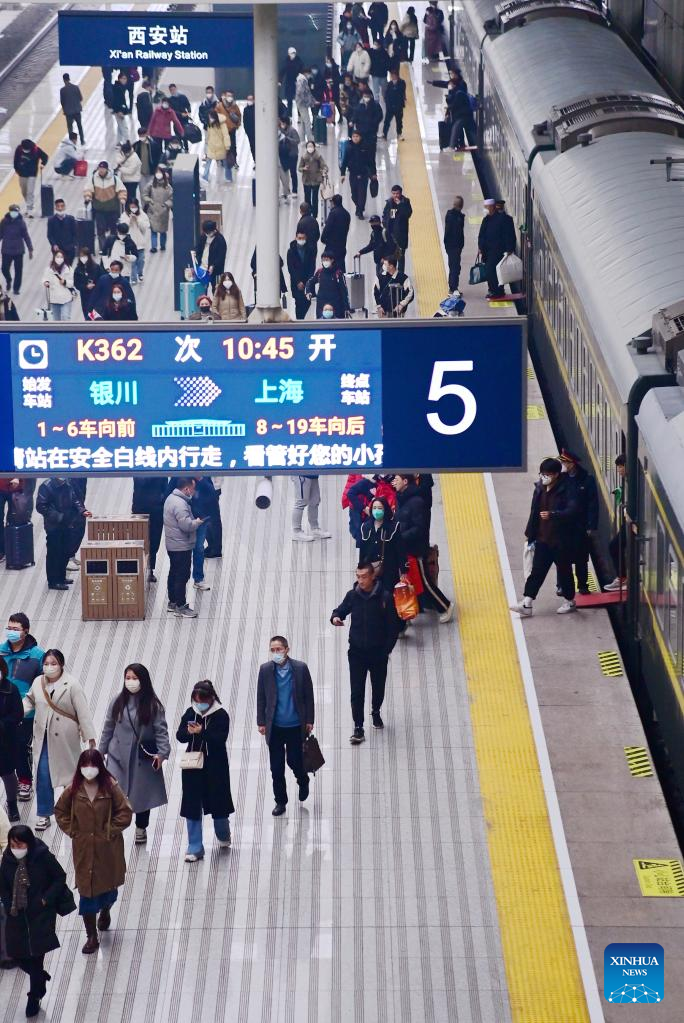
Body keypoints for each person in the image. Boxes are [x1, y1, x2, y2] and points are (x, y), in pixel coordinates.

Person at [55, 749, 132, 954]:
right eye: (85, 765)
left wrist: (109, 831)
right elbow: (60, 811)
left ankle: (105, 909)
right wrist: (73, 830)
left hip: (107, 848)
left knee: (108, 888)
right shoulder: (73, 790)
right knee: (86, 891)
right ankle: (91, 935)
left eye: (92, 765)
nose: (89, 769)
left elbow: (125, 812)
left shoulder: (110, 787)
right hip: (83, 849)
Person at [23, 649, 97, 832]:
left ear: (61, 664)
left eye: (53, 663)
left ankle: (72, 810)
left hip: (65, 738)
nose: (49, 667)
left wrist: (90, 737)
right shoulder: (38, 682)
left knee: (70, 776)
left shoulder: (72, 685)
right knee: (42, 775)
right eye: (46, 664)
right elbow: (29, 700)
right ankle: (44, 814)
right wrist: (18, 712)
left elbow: (83, 712)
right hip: (43, 737)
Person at [99, 664, 170, 845]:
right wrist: (101, 751)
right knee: (114, 791)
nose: (130, 682)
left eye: (134, 678)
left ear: (143, 680)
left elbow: (161, 731)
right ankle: (115, 826)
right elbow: (108, 727)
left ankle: (141, 827)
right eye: (128, 678)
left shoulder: (152, 705)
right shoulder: (117, 701)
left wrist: (162, 754)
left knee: (142, 794)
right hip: (117, 755)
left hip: (141, 756)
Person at [0, 824, 67, 1016]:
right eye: (13, 845)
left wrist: (45, 899)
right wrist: (8, 903)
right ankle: (40, 977)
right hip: (17, 916)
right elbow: (3, 885)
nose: (16, 849)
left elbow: (59, 877)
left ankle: (34, 997)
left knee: (36, 956)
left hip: (40, 915)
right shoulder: (7, 860)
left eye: (20, 845)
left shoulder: (42, 857)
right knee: (17, 955)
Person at [331, 562, 398, 742]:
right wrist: (335, 617)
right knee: (356, 691)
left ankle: (375, 711)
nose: (360, 581)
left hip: (378, 654)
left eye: (364, 577)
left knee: (378, 687)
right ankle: (358, 727)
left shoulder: (385, 597)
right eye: (358, 576)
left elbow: (393, 627)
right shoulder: (352, 595)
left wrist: (386, 650)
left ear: (372, 576)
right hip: (357, 653)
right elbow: (341, 609)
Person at [511, 457, 579, 617]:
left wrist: (553, 514)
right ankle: (527, 603)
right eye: (542, 473)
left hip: (561, 540)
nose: (544, 477)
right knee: (537, 571)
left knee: (564, 571)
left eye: (547, 474)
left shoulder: (568, 489)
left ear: (556, 474)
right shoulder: (540, 488)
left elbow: (573, 511)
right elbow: (534, 512)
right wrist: (530, 534)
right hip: (543, 538)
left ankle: (570, 601)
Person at [176, 680, 234, 862]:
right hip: (193, 766)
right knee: (192, 805)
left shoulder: (221, 715)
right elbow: (179, 736)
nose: (199, 703)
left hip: (215, 766)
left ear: (211, 698)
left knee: (219, 802)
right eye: (196, 700)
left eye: (203, 700)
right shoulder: (190, 713)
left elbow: (219, 739)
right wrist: (188, 732)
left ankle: (223, 833)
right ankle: (195, 846)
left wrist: (202, 732)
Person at [257, 637, 314, 817]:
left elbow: (308, 696)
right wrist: (261, 722)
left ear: (287, 649)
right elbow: (261, 697)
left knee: (294, 760)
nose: (276, 653)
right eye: (272, 650)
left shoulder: (300, 668)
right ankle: (280, 801)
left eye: (279, 649)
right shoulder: (265, 670)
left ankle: (303, 779)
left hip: (295, 725)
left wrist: (309, 720)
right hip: (275, 727)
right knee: (276, 767)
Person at [393, 474, 453, 621]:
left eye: (397, 479)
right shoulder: (401, 499)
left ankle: (445, 606)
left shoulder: (417, 502)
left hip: (415, 549)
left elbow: (419, 528)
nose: (394, 481)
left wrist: (401, 536)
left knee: (424, 582)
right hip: (405, 548)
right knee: (415, 581)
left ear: (405, 482)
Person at [0, 615, 45, 804]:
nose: (11, 632)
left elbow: (43, 683)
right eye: (9, 628)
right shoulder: (1, 652)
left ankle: (25, 781)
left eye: (16, 629)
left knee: (21, 746)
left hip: (26, 711)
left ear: (25, 631)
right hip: (3, 708)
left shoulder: (37, 655)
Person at [36, 477, 91, 591]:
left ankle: (61, 577)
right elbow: (41, 506)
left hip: (67, 522)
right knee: (54, 553)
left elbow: (75, 499)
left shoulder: (68, 482)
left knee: (65, 551)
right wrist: (59, 517)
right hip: (54, 526)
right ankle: (53, 581)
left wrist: (82, 510)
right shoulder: (46, 486)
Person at [557, 449, 598, 597]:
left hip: (580, 525)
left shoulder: (587, 480)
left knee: (581, 557)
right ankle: (562, 585)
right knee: (562, 557)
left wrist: (591, 525)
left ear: (572, 464)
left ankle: (583, 585)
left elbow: (593, 504)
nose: (563, 465)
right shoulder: (561, 479)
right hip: (564, 524)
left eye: (565, 463)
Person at [163, 477, 204, 619]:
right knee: (182, 575)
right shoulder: (180, 504)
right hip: (181, 545)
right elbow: (186, 526)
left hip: (173, 544)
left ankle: (172, 602)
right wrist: (197, 522)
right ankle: (180, 606)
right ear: (186, 488)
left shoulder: (171, 498)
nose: (193, 491)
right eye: (192, 488)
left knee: (174, 573)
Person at [359, 496, 405, 592]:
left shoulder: (394, 526)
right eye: (374, 508)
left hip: (389, 571)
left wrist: (404, 571)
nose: (377, 511)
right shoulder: (365, 527)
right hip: (371, 572)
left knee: (388, 595)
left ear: (385, 509)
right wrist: (361, 568)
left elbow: (400, 551)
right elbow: (362, 551)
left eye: (380, 508)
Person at [477, 197, 517, 299]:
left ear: (492, 207)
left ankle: (496, 291)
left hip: (498, 251)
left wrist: (509, 249)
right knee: (491, 271)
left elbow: (510, 235)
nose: (485, 209)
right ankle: (493, 290)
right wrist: (480, 247)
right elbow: (481, 234)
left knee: (495, 271)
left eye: (486, 207)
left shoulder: (504, 219)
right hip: (488, 251)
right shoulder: (486, 219)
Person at [131, 477, 167, 582]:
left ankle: (150, 569)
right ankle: (139, 568)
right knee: (139, 541)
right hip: (141, 510)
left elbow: (165, 488)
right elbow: (140, 483)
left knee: (154, 542)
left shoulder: (160, 471)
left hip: (156, 510)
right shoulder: (141, 471)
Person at [0, 657, 23, 823]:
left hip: (5, 741)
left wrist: (2, 725)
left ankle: (12, 804)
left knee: (8, 774)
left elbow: (17, 714)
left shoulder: (11, 689)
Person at [84, 161, 126, 250]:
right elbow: (88, 189)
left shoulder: (114, 179)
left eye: (103, 168)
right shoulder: (93, 179)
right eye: (100, 168)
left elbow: (121, 190)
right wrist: (88, 196)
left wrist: (122, 198)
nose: (101, 170)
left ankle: (113, 247)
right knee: (100, 231)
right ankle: (103, 249)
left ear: (107, 169)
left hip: (112, 209)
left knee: (114, 230)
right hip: (99, 209)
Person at [340, 129, 377, 219]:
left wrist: (373, 173)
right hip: (353, 174)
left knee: (362, 194)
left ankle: (360, 211)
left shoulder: (366, 147)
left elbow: (371, 161)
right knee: (354, 194)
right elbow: (344, 161)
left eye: (357, 136)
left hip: (364, 174)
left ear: (360, 137)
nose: (355, 138)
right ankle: (359, 207)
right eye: (353, 136)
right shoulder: (349, 147)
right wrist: (342, 174)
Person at [305, 251, 350, 320]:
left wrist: (347, 308)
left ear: (332, 260)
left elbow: (344, 291)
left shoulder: (338, 273)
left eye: (327, 260)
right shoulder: (320, 272)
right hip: (321, 305)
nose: (325, 262)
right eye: (323, 260)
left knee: (337, 324)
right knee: (321, 323)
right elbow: (310, 282)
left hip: (336, 305)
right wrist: (308, 291)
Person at [605, 454, 627, 591]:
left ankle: (622, 578)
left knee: (614, 546)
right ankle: (622, 577)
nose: (618, 470)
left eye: (620, 467)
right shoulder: (627, 480)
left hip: (631, 523)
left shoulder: (634, 480)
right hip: (627, 522)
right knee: (615, 546)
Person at [0, 205, 33, 296]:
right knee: (4, 268)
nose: (14, 213)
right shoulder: (4, 222)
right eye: (12, 211)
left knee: (18, 270)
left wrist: (30, 249)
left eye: (16, 211)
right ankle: (9, 279)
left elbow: (26, 236)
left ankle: (16, 289)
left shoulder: (21, 222)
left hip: (18, 251)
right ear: (9, 211)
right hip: (6, 250)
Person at [357, 215, 399, 281]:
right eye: (371, 222)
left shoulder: (384, 232)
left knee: (385, 281)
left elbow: (392, 247)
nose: (372, 224)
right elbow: (371, 246)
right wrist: (360, 252)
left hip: (387, 262)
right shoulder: (373, 234)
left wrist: (385, 258)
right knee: (380, 280)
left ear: (379, 222)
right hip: (379, 262)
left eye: (374, 222)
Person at [13, 140, 48, 219]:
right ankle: (29, 204)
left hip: (32, 174)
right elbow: (15, 160)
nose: (25, 151)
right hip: (22, 174)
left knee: (30, 192)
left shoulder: (36, 150)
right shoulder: (19, 149)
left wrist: (43, 164)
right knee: (24, 191)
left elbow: (45, 156)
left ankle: (30, 210)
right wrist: (17, 169)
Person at [382, 185, 412, 273]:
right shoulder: (389, 203)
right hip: (391, 235)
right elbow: (385, 215)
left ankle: (400, 274)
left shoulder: (405, 202)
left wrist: (400, 205)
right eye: (393, 193)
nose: (395, 196)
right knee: (392, 256)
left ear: (401, 193)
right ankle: (393, 273)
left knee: (400, 256)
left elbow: (408, 214)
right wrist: (385, 224)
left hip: (401, 235)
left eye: (397, 193)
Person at [287, 231, 317, 320]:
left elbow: (312, 266)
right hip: (296, 283)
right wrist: (298, 281)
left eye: (303, 238)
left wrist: (308, 281)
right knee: (299, 303)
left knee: (307, 302)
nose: (301, 240)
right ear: (296, 238)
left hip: (307, 282)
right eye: (299, 238)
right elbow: (291, 268)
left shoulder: (310, 250)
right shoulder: (291, 251)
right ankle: (299, 320)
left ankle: (304, 319)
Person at [142, 169, 173, 252]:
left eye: (160, 172)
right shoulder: (150, 185)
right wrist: (149, 201)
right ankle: (154, 247)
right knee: (153, 230)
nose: (158, 174)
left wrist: (166, 204)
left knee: (163, 231)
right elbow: (144, 194)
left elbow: (172, 198)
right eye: (157, 172)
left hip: (163, 212)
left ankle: (163, 245)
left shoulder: (168, 187)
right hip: (152, 210)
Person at [121, 199, 150, 284]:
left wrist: (137, 220)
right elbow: (123, 228)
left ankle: (140, 273)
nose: (133, 208)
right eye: (131, 207)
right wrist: (129, 221)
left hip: (140, 243)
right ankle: (133, 278)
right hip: (130, 243)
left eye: (135, 206)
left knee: (141, 260)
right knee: (132, 262)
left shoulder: (142, 214)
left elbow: (145, 227)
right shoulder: (124, 215)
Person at [321, 194, 351, 272]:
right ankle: (341, 278)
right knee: (341, 266)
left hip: (332, 246)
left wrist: (323, 239)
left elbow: (327, 228)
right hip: (342, 245)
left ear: (333, 203)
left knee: (329, 267)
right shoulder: (347, 214)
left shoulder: (333, 213)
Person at [196, 220, 227, 292]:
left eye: (209, 232)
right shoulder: (203, 237)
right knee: (202, 289)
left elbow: (221, 256)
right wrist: (195, 253)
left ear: (214, 230)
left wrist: (213, 265)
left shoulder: (220, 240)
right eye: (206, 233)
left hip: (216, 270)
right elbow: (198, 248)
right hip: (203, 267)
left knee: (216, 289)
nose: (207, 234)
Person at [42, 250, 74, 321]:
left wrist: (65, 282)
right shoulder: (49, 269)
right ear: (54, 257)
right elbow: (45, 278)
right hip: (54, 298)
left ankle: (66, 328)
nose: (59, 259)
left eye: (61, 257)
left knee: (65, 317)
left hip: (66, 298)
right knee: (56, 320)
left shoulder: (69, 269)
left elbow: (72, 283)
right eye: (57, 257)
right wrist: (46, 282)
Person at [202, 108, 232, 183]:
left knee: (226, 163)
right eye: (209, 117)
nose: (210, 119)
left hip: (221, 148)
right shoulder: (209, 124)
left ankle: (228, 177)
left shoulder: (222, 124)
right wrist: (206, 145)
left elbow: (226, 136)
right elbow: (208, 136)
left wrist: (227, 147)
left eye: (211, 117)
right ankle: (205, 177)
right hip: (211, 147)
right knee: (208, 162)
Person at [299, 141, 329, 215]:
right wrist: (303, 168)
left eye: (311, 146)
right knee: (307, 198)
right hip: (306, 180)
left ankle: (315, 214)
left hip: (316, 180)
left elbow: (325, 166)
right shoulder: (303, 157)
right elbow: (299, 168)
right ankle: (308, 213)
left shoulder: (318, 157)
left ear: (314, 147)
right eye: (308, 146)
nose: (310, 148)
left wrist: (324, 171)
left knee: (315, 198)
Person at [218, 90, 241, 181]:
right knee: (224, 147)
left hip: (232, 130)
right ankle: (224, 162)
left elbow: (239, 116)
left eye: (231, 95)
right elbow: (215, 115)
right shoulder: (220, 106)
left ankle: (233, 161)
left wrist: (237, 125)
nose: (229, 97)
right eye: (228, 95)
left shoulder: (235, 106)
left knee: (233, 146)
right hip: (223, 130)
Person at [73, 248, 104, 317]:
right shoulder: (78, 270)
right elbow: (76, 284)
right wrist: (85, 287)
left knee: (96, 315)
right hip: (85, 296)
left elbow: (102, 279)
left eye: (84, 256)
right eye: (81, 256)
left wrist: (96, 286)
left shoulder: (96, 267)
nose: (83, 258)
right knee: (87, 314)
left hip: (96, 295)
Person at [444, 195, 465, 292]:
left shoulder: (450, 215)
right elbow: (457, 233)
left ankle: (453, 287)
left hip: (451, 246)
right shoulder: (457, 217)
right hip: (454, 246)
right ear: (461, 206)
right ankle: (453, 288)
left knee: (454, 267)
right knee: (455, 268)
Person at [133, 127, 162, 197]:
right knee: (143, 192)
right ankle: (144, 204)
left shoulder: (154, 145)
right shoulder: (136, 145)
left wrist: (157, 168)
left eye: (143, 135)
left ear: (146, 134)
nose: (141, 137)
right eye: (140, 135)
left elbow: (159, 157)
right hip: (141, 173)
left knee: (153, 192)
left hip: (151, 172)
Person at [47, 198, 77, 265]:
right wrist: (54, 244)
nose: (60, 208)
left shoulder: (71, 219)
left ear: (65, 207)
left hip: (70, 249)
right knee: (59, 267)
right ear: (55, 208)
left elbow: (75, 233)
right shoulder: (51, 220)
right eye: (58, 206)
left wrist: (73, 245)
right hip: (58, 249)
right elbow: (49, 235)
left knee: (68, 267)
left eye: (62, 206)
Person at [278, 117, 301, 200]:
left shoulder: (292, 130)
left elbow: (297, 140)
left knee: (293, 172)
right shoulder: (280, 131)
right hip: (285, 154)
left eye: (283, 123)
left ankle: (295, 190)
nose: (282, 125)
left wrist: (287, 139)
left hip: (292, 154)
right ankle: (286, 190)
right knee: (285, 172)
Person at [115, 140, 142, 204]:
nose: (124, 154)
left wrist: (120, 168)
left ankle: (132, 207)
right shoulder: (125, 154)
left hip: (132, 181)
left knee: (131, 198)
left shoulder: (135, 158)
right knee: (125, 197)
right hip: (125, 180)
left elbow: (130, 171)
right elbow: (119, 160)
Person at [60, 72, 85, 144]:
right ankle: (82, 141)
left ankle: (72, 142)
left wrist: (65, 109)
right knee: (79, 126)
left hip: (68, 112)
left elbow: (62, 102)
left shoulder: (62, 90)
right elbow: (81, 98)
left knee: (70, 128)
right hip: (77, 110)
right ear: (69, 79)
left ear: (63, 80)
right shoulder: (76, 87)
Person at [383, 68, 406, 140]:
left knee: (399, 121)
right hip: (390, 107)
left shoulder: (402, 83)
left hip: (398, 107)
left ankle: (399, 134)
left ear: (397, 75)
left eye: (393, 75)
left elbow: (401, 92)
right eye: (391, 75)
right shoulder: (389, 84)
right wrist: (387, 104)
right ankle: (385, 134)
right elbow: (386, 95)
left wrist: (395, 87)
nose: (392, 77)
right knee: (387, 121)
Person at [281, 47, 304, 116]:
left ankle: (300, 114)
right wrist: (280, 81)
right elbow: (282, 71)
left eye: (294, 53)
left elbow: (301, 71)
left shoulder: (299, 62)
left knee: (298, 99)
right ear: (288, 54)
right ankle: (289, 114)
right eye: (291, 53)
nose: (293, 54)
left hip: (297, 82)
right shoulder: (286, 62)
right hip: (289, 83)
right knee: (289, 99)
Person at [295, 71, 315, 142]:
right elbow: (301, 92)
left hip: (300, 103)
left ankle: (302, 139)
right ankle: (310, 139)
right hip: (302, 104)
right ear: (306, 73)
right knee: (307, 121)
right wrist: (306, 101)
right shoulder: (302, 80)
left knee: (303, 122)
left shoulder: (300, 79)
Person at [111, 72, 131, 145]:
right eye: (123, 78)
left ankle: (118, 142)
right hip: (119, 111)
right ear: (119, 79)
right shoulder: (118, 88)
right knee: (124, 127)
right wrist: (119, 111)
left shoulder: (119, 87)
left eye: (126, 79)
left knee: (120, 127)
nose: (125, 80)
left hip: (118, 110)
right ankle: (127, 142)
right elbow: (116, 101)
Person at [369, 39, 390, 108]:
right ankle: (376, 102)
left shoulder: (384, 53)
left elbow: (388, 62)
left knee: (384, 88)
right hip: (375, 74)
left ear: (379, 45)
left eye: (376, 44)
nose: (374, 45)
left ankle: (385, 99)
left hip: (383, 74)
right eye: (374, 44)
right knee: (376, 89)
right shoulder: (372, 52)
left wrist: (386, 68)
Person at [242, 93, 256, 161]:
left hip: (257, 131)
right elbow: (244, 121)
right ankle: (255, 160)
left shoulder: (256, 108)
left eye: (251, 99)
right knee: (252, 146)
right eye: (248, 99)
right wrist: (247, 131)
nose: (250, 101)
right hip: (250, 132)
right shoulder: (246, 109)